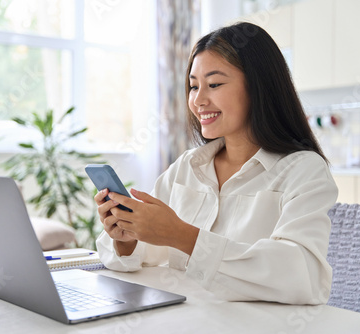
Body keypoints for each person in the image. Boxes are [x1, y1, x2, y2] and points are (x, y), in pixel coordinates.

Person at [94, 22, 338, 305]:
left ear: (259, 87)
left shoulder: (303, 171)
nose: (198, 100)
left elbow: (301, 276)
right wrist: (127, 238)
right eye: (193, 86)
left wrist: (182, 235)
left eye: (214, 84)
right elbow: (142, 256)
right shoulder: (187, 167)